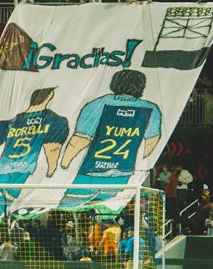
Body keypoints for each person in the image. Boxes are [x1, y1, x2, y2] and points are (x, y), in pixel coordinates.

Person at [59, 70, 163, 208]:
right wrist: (138, 157)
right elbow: (152, 140)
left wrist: (65, 162)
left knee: (69, 208)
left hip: (91, 172)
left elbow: (81, 139)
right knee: (103, 208)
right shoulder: (151, 109)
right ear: (141, 87)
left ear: (115, 83)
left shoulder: (99, 103)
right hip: (123, 172)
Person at [0, 87, 69, 221]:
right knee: (6, 199)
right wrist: (51, 169)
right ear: (48, 98)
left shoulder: (8, 123)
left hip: (1, 169)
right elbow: (52, 148)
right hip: (23, 169)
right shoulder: (54, 120)